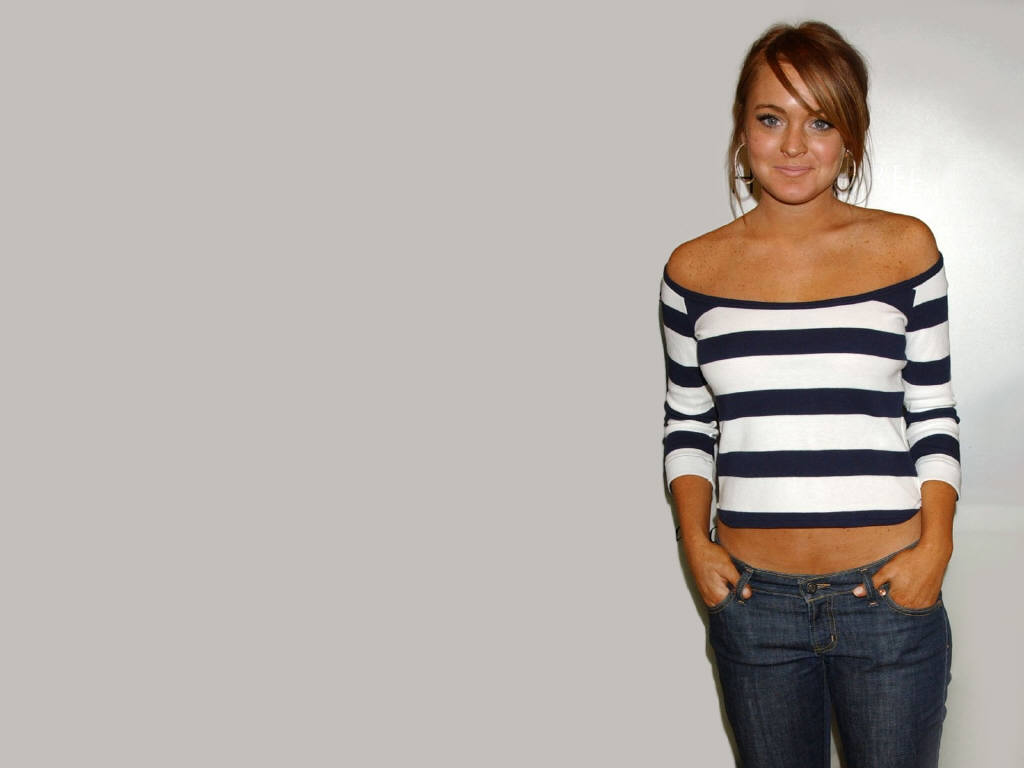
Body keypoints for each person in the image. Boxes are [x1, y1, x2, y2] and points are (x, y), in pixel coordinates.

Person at [659, 21, 960, 768]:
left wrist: (936, 548)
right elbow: (687, 422)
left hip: (887, 599)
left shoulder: (906, 250)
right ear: (742, 130)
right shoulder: (692, 272)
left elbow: (932, 411)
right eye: (772, 118)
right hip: (753, 608)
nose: (794, 145)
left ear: (851, 137)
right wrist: (696, 547)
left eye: (820, 121)